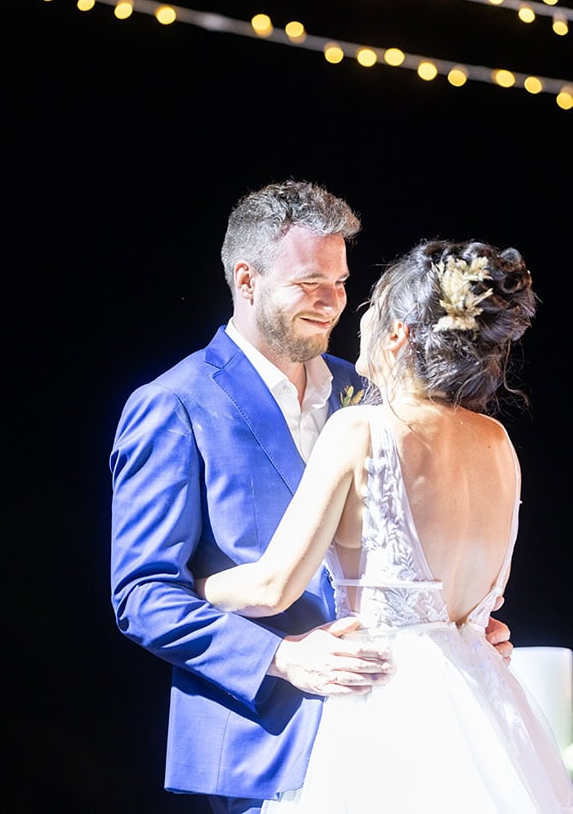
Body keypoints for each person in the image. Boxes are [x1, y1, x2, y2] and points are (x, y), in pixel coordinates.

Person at [110, 183, 514, 814]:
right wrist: (280, 657)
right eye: (309, 283)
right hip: (265, 737)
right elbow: (142, 594)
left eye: (341, 282)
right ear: (247, 280)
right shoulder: (175, 404)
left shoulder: (372, 393)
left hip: (401, 730)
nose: (332, 302)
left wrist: (456, 623)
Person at [197, 237, 573, 813]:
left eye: (370, 305)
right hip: (484, 706)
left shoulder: (361, 429)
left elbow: (272, 588)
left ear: (397, 334)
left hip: (387, 709)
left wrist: (193, 584)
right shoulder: (499, 444)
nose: (359, 315)